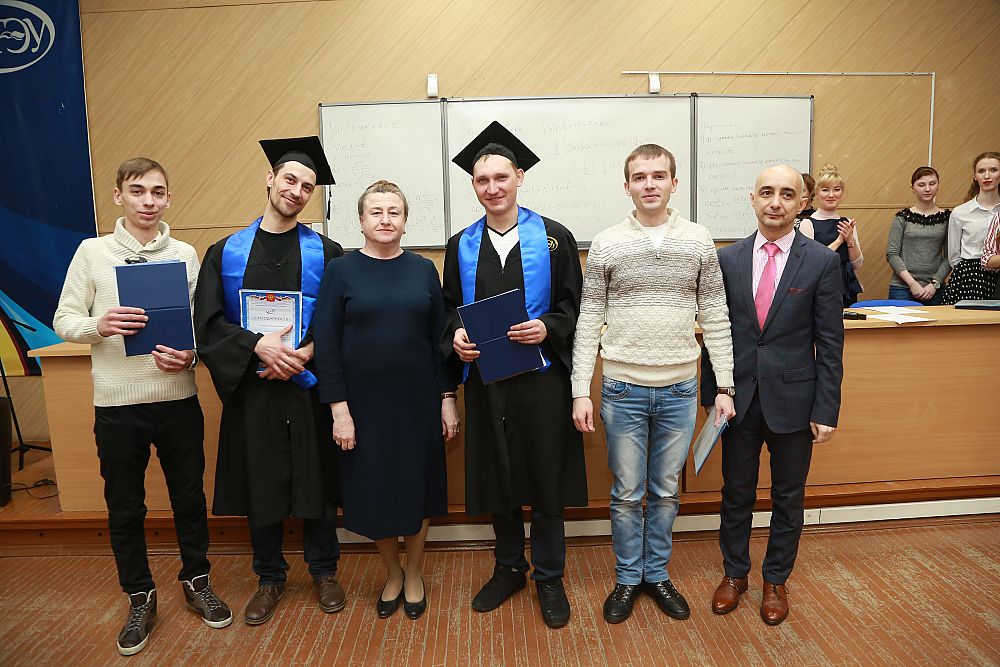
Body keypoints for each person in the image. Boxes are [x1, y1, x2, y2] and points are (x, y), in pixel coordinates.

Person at [54, 158, 231, 656]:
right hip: (117, 405)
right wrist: (99, 325)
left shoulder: (185, 254)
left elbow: (201, 326)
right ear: (118, 196)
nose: (148, 201)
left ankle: (196, 580)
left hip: (178, 399)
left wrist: (191, 356)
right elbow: (64, 319)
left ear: (168, 198)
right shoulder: (92, 252)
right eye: (137, 191)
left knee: (189, 499)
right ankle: (139, 595)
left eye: (157, 192)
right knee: (126, 506)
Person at [570, 144, 735, 624]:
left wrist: (724, 385)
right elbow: (588, 319)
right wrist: (580, 389)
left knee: (665, 492)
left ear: (674, 183)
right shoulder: (606, 243)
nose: (649, 184)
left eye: (658, 176)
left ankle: (656, 574)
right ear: (627, 186)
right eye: (639, 177)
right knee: (626, 494)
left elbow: (716, 315)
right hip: (622, 388)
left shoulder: (699, 241)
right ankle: (627, 578)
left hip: (680, 388)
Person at [193, 136, 345, 626]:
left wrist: (307, 352)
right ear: (270, 179)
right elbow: (208, 324)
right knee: (261, 479)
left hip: (307, 382)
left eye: (306, 186)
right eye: (289, 180)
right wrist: (258, 346)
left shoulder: (328, 252)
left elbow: (339, 319)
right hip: (254, 385)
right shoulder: (225, 252)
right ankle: (270, 576)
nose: (296, 191)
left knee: (318, 477)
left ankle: (323, 570)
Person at [441, 121, 587, 629]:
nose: (492, 188)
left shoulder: (554, 238)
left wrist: (548, 328)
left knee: (545, 474)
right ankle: (508, 567)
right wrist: (456, 336)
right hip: (488, 382)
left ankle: (549, 574)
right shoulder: (460, 245)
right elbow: (447, 310)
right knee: (497, 473)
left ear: (519, 177)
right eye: (482, 181)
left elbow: (575, 306)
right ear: (474, 185)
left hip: (543, 379)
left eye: (501, 177)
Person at [701, 164, 844, 626]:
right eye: (766, 192)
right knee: (735, 494)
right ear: (753, 199)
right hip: (737, 402)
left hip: (796, 404)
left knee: (788, 497)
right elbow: (715, 334)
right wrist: (713, 395)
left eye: (786, 193)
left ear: (802, 202)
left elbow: (830, 343)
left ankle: (776, 580)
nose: (775, 202)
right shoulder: (728, 260)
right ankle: (734, 574)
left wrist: (826, 408)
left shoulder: (821, 261)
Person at [313, 180, 458, 620]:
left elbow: (440, 340)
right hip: (363, 407)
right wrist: (339, 410)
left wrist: (447, 397)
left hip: (418, 403)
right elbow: (327, 343)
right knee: (374, 489)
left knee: (418, 488)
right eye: (376, 212)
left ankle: (413, 572)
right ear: (360, 221)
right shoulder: (340, 270)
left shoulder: (423, 269)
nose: (385, 219)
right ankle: (391, 572)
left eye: (394, 212)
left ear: (405, 221)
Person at [798, 163, 863, 306]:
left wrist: (850, 240)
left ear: (842, 193)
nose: (831, 195)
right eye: (825, 190)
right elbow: (811, 263)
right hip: (819, 286)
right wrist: (839, 241)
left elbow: (857, 265)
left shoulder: (847, 223)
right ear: (817, 194)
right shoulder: (808, 224)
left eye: (837, 190)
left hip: (845, 286)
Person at [885, 166, 951, 304]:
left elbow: (950, 256)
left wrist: (935, 284)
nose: (927, 189)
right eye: (921, 185)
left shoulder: (947, 218)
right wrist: (912, 283)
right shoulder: (902, 217)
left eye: (932, 183)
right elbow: (892, 254)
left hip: (935, 288)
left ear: (938, 186)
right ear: (913, 188)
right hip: (902, 288)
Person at [943, 151, 1000, 303]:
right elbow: (954, 256)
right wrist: (967, 275)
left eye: (993, 170)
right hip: (970, 277)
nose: (987, 176)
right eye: (981, 171)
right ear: (975, 176)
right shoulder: (960, 212)